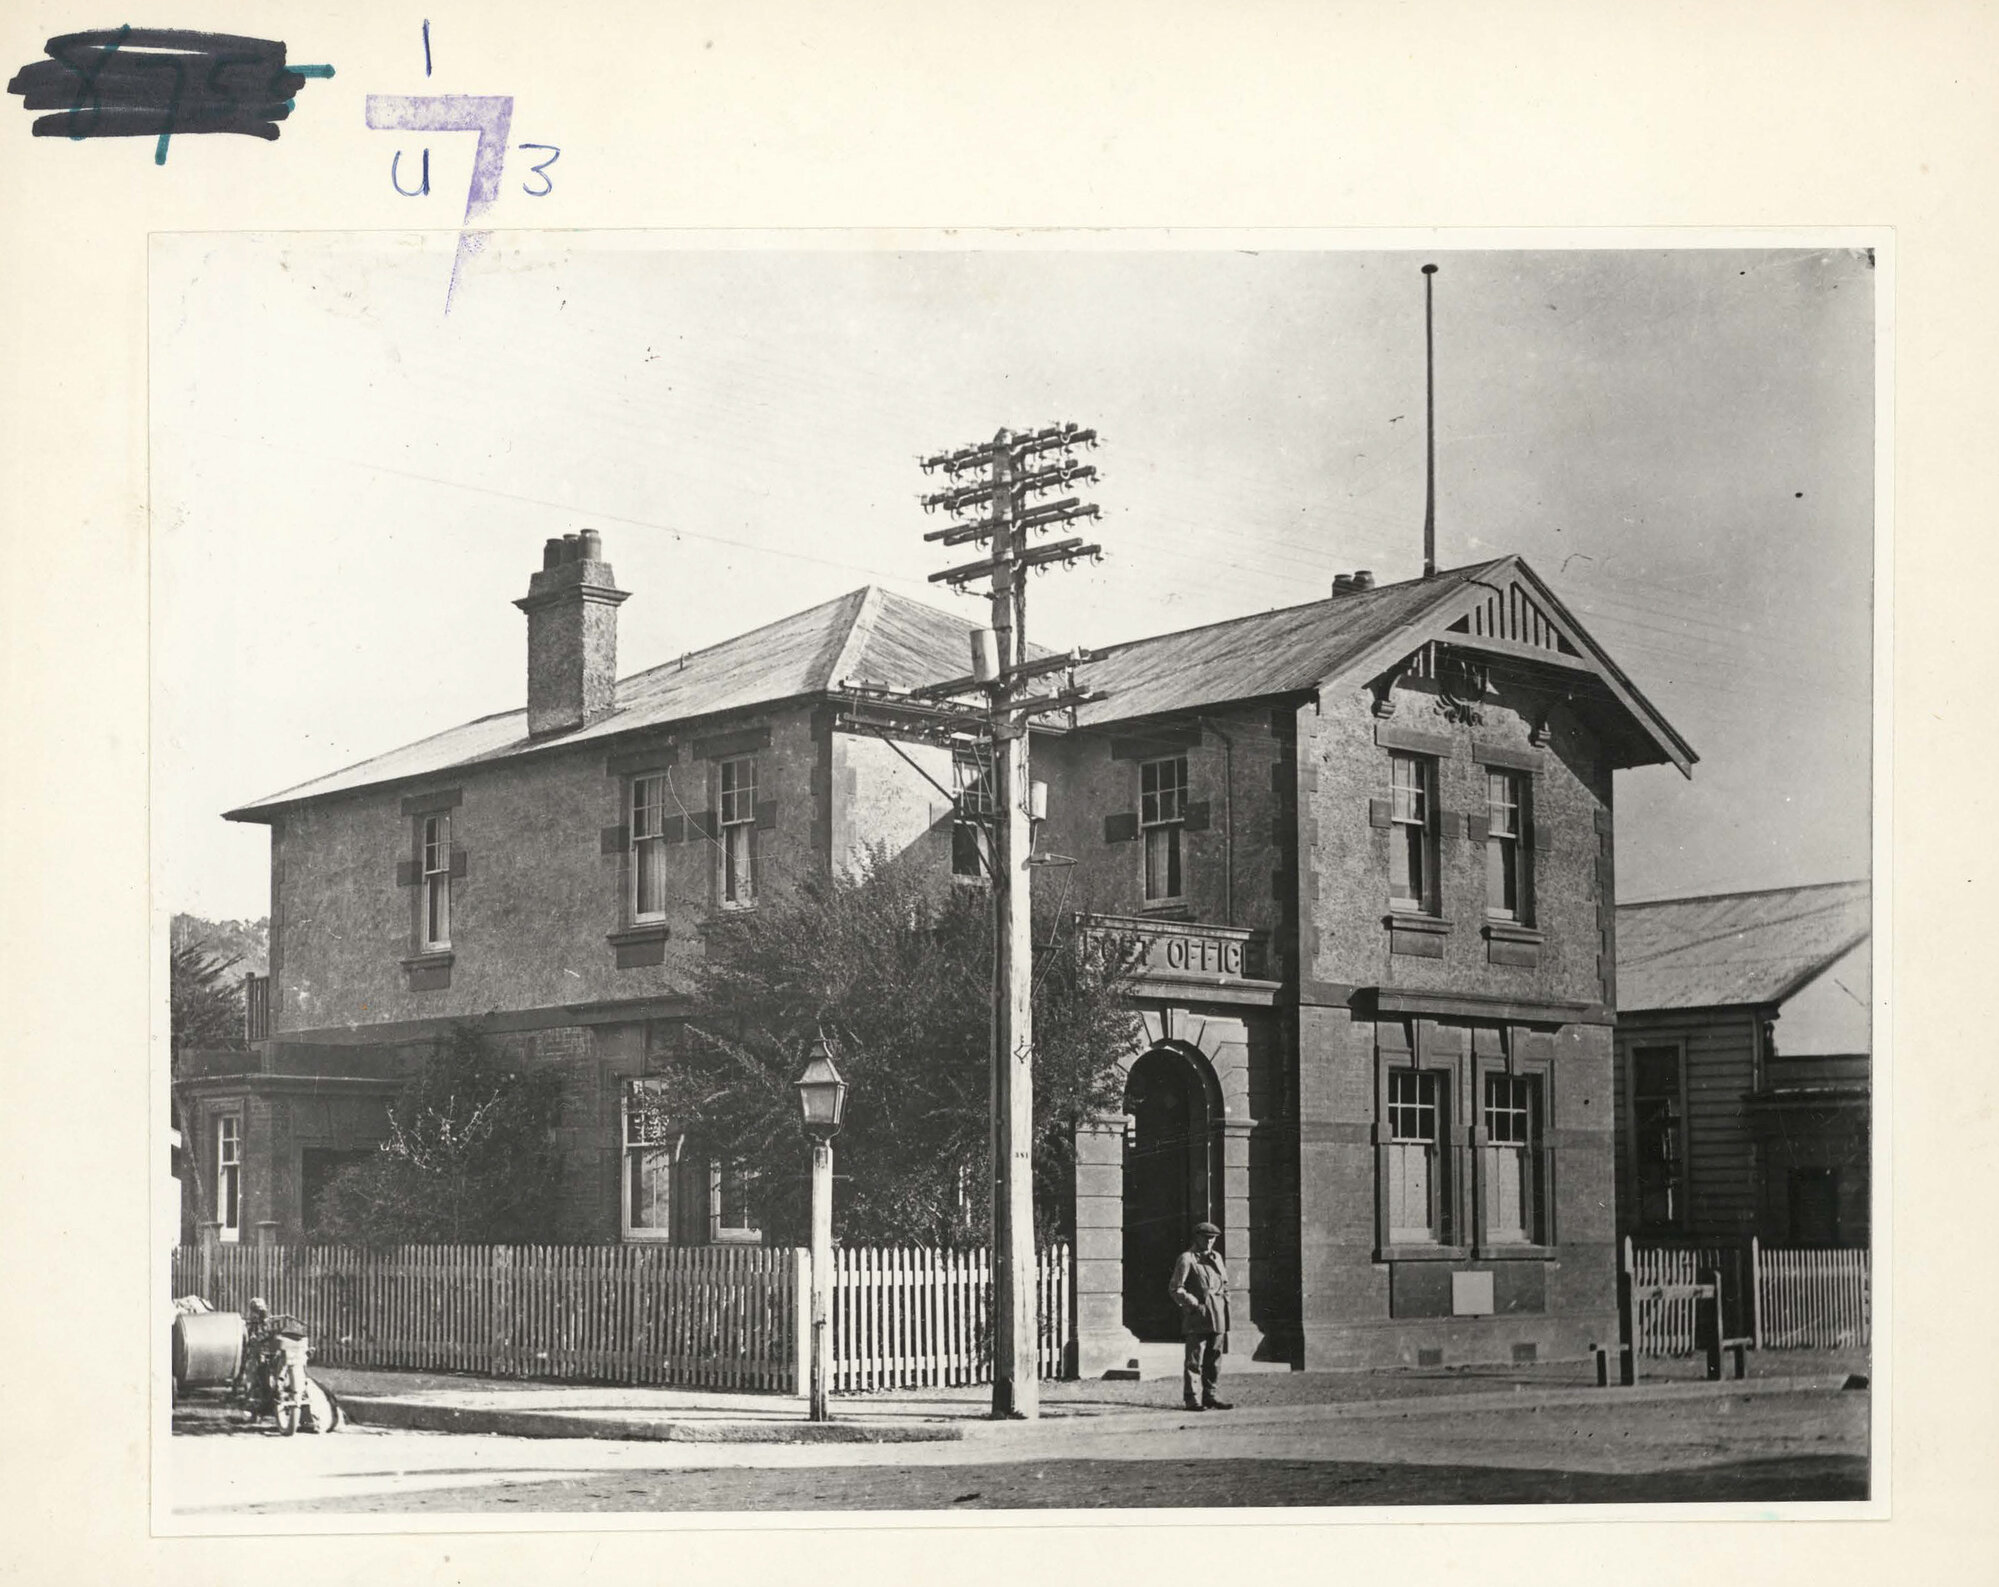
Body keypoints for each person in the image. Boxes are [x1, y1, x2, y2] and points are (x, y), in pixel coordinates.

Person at [1168, 1220, 1232, 1411]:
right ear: (1197, 1237)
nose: (1210, 1242)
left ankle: (1211, 1396)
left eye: (1213, 1239)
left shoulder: (1217, 1258)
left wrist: (1226, 1298)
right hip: (1199, 1315)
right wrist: (1193, 1303)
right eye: (1207, 1238)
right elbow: (1175, 1288)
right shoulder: (1187, 1259)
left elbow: (1224, 1283)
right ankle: (1192, 1399)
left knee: (1214, 1358)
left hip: (1219, 1313)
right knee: (1194, 1360)